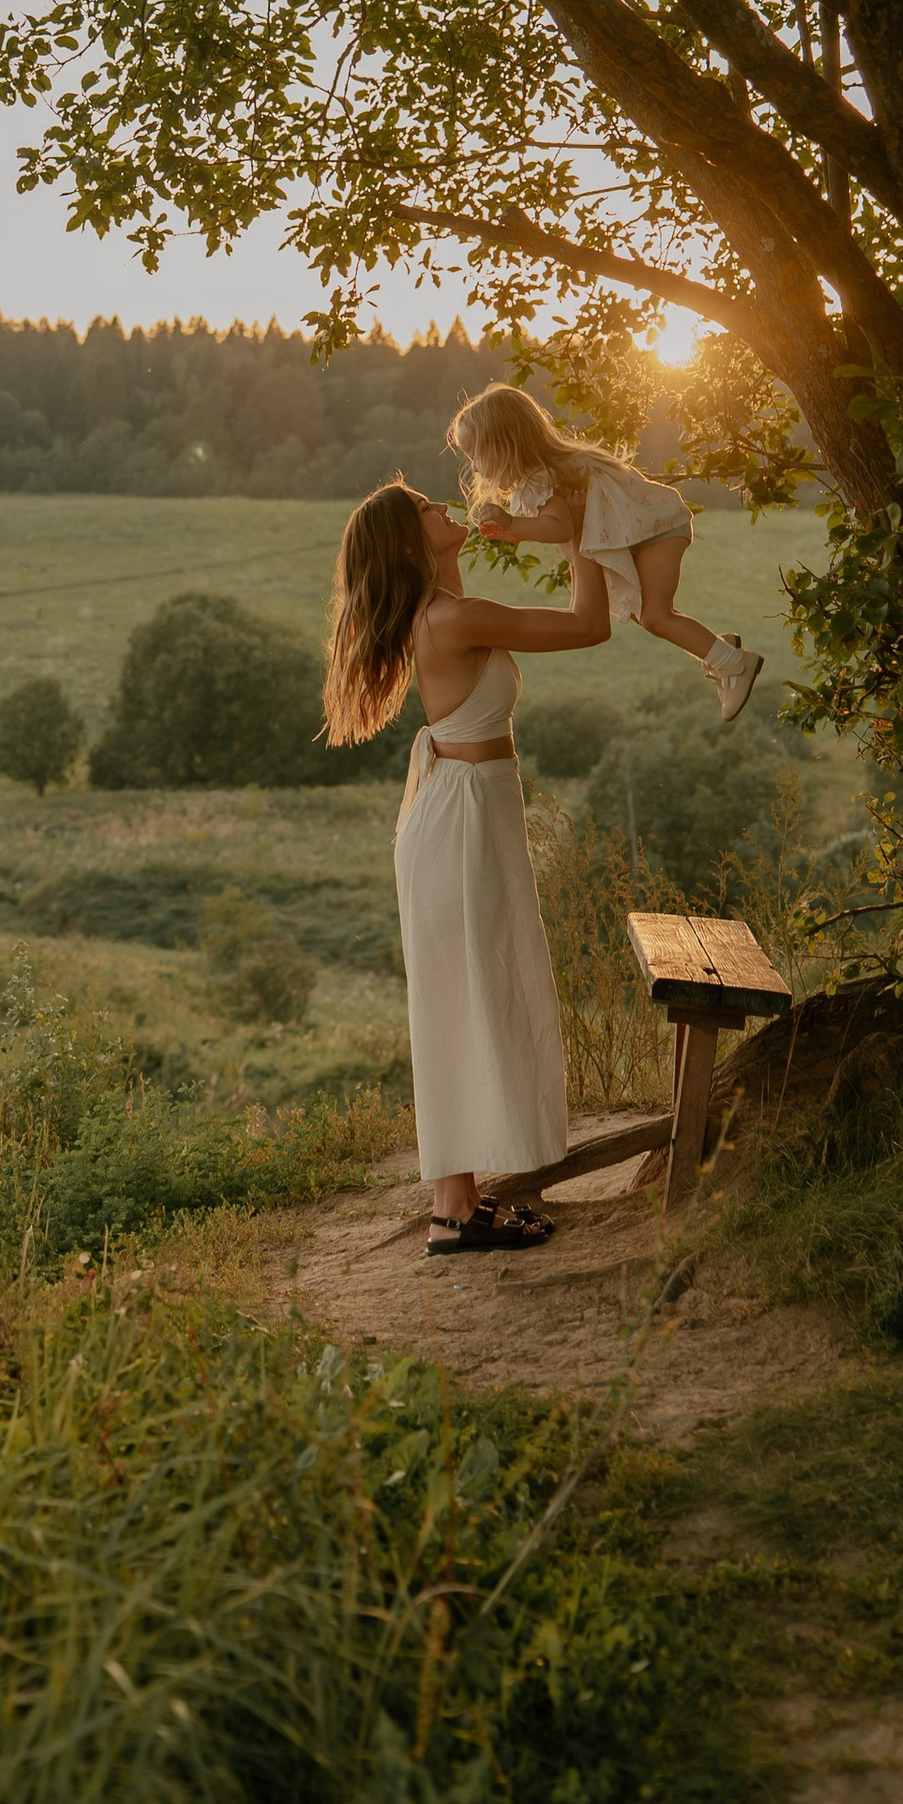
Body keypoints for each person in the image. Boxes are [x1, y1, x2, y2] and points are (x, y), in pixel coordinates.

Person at [323, 477, 612, 1257]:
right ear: (410, 542)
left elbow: (473, 581)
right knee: (463, 996)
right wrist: (581, 528)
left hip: (465, 814)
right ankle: (452, 1212)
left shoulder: (444, 606)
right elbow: (590, 626)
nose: (440, 505)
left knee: (467, 994)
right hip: (459, 824)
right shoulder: (452, 618)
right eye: (424, 507)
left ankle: (460, 1203)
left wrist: (532, 527)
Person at [447, 382, 763, 721]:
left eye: (475, 454)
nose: (475, 468)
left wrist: (513, 524)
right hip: (649, 529)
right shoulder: (552, 469)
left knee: (655, 615)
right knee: (647, 612)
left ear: (504, 444)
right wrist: (515, 531)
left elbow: (560, 529)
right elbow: (562, 525)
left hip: (656, 530)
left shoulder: (540, 479)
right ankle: (718, 648)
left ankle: (734, 664)